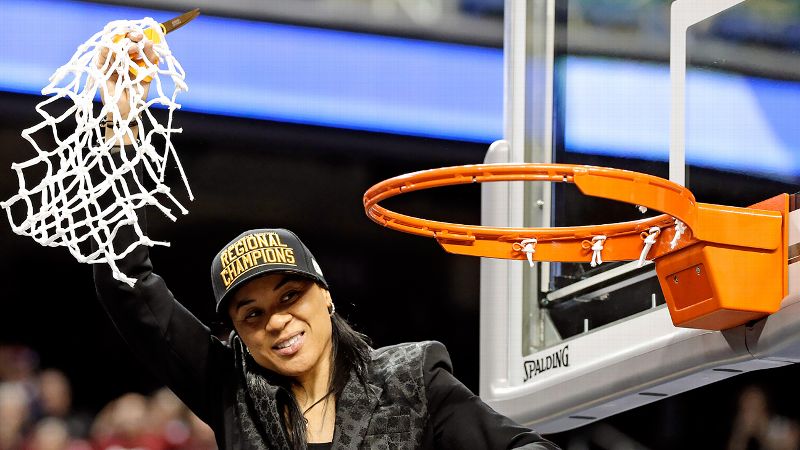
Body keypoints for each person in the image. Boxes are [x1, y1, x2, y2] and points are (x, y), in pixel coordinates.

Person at [93, 30, 560, 450]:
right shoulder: (232, 390)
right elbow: (124, 283)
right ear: (239, 336)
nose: (276, 321)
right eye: (252, 314)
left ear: (326, 297)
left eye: (290, 295)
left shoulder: (411, 377)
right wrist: (121, 127)